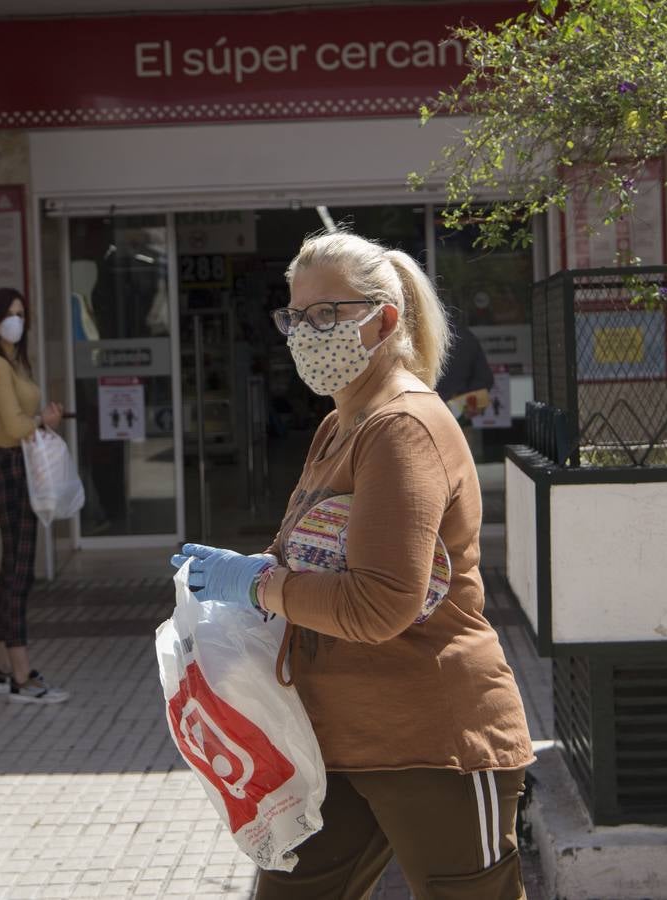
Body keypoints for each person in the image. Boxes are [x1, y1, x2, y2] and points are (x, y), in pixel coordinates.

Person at [171, 232, 534, 898]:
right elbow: (308, 561)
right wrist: (253, 578)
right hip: (334, 739)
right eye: (294, 316)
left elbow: (380, 603)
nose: (303, 333)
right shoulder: (340, 427)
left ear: (384, 320)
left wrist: (259, 584)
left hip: (434, 739)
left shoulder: (402, 427)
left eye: (325, 316)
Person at [0, 287, 69, 705]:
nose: (17, 320)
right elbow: (12, 426)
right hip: (11, 469)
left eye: (22, 313)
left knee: (13, 571)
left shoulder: (8, 360)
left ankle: (1, 668)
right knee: (18, 573)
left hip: (17, 467)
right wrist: (41, 419)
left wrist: (39, 420)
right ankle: (21, 675)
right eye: (10, 313)